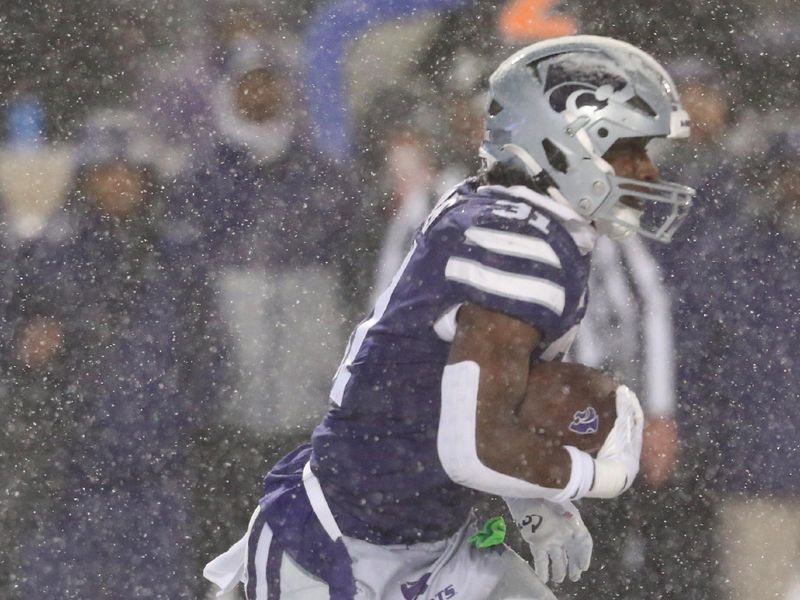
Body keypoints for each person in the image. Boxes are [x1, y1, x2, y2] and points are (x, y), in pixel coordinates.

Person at [204, 36, 695, 600]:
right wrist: (597, 476)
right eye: (629, 150)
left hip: (434, 538)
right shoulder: (514, 240)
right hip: (343, 549)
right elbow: (474, 448)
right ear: (565, 147)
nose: (648, 173)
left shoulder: (534, 226)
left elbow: (497, 404)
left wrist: (538, 505)